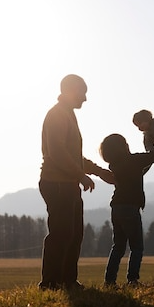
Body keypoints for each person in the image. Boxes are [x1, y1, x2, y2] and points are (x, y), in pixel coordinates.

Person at [39, 74, 115, 290]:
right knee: (61, 233)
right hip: (57, 183)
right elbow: (57, 152)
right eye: (83, 93)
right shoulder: (57, 115)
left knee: (73, 234)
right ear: (71, 91)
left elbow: (73, 156)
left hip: (67, 183)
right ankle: (50, 283)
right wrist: (80, 175)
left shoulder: (67, 114)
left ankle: (67, 280)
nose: (85, 99)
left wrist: (99, 171)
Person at [99, 133, 154, 287]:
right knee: (136, 246)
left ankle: (109, 281)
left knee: (118, 246)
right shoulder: (135, 160)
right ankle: (132, 280)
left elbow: (137, 170)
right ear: (123, 146)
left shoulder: (114, 165)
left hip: (116, 207)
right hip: (130, 208)